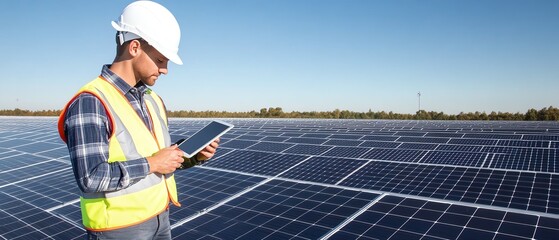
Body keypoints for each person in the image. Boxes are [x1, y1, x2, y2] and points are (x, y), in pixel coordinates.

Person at [57, 1, 220, 239]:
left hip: (160, 219)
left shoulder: (152, 100)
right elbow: (90, 177)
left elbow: (160, 161)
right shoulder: (91, 101)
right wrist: (152, 163)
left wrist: (193, 155)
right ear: (134, 47)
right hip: (118, 230)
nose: (165, 70)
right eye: (161, 60)